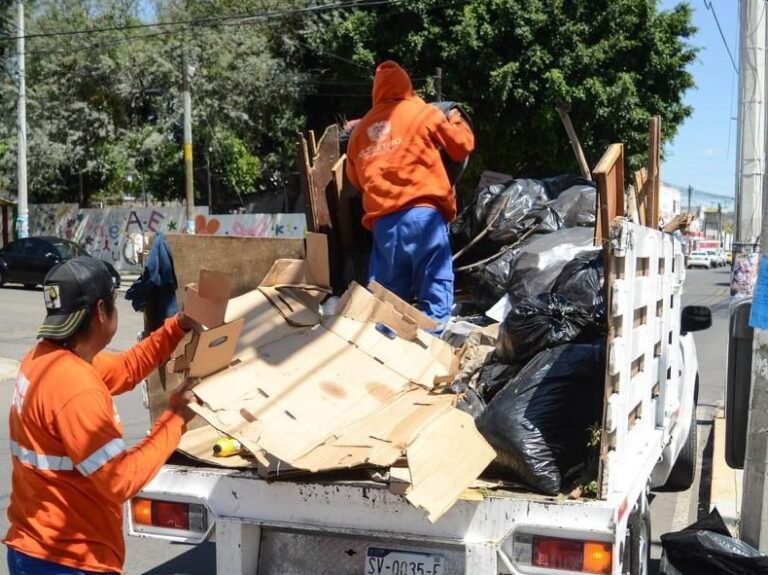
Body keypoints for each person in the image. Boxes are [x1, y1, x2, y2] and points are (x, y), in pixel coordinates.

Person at [4, 256, 198, 575]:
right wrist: (175, 419)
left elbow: (126, 369)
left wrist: (179, 325)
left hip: (35, 549)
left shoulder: (44, 359)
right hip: (68, 561)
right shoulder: (75, 388)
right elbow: (119, 480)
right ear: (100, 311)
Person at [346, 60, 475, 325]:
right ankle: (431, 350)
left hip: (385, 224)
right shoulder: (423, 113)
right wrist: (456, 120)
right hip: (424, 216)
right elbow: (461, 146)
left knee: (387, 300)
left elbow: (355, 179)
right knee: (434, 287)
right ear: (407, 86)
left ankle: (388, 354)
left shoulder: (359, 131)